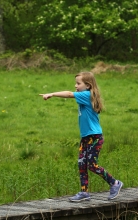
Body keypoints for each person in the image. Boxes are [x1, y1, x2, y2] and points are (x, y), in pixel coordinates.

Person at [39, 72, 123, 202]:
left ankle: (115, 183)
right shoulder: (85, 95)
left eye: (78, 83)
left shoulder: (86, 95)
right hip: (85, 138)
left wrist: (52, 94)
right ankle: (84, 193)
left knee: (92, 165)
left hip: (94, 137)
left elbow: (68, 94)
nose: (75, 85)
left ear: (88, 85)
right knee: (82, 164)